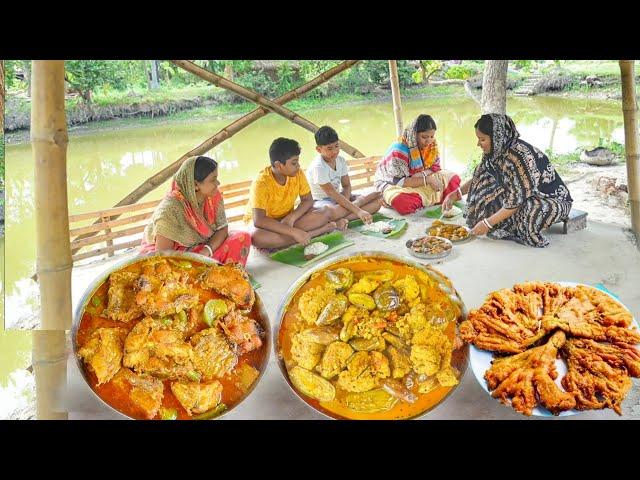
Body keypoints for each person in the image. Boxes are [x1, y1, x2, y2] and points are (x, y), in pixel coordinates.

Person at [442, 113, 573, 247]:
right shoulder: (495, 151)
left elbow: (516, 200)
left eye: (482, 139)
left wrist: (488, 223)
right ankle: (506, 223)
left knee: (529, 211)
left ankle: (515, 227)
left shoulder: (519, 156)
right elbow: (479, 177)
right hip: (520, 196)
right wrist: (455, 194)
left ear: (496, 137)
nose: (478, 144)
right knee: (484, 195)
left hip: (549, 199)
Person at [140, 155, 251, 265]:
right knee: (167, 270)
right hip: (174, 255)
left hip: (202, 249)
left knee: (242, 237)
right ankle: (206, 275)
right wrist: (195, 260)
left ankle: (214, 273)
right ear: (195, 184)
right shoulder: (170, 210)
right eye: (213, 180)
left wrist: (207, 250)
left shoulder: (213, 196)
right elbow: (164, 256)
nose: (218, 183)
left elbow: (222, 228)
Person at [244, 137, 337, 249]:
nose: (298, 166)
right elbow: (259, 220)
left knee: (323, 213)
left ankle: (295, 236)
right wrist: (293, 232)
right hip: (266, 225)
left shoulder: (297, 173)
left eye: (297, 162)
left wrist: (291, 218)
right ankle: (315, 233)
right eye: (294, 163)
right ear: (278, 165)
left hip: (287, 219)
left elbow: (308, 200)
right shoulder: (261, 183)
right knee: (257, 237)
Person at [374, 114, 461, 215]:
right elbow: (399, 181)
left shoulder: (431, 144)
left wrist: (422, 175)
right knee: (401, 202)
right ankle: (430, 199)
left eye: (432, 136)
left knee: (453, 179)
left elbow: (435, 167)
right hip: (395, 184)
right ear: (414, 134)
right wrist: (428, 180)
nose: (429, 141)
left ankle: (423, 200)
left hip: (421, 177)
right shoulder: (399, 149)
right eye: (424, 137)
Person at [306, 125, 382, 228]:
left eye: (337, 146)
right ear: (319, 149)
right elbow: (331, 193)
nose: (334, 151)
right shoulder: (318, 166)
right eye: (329, 148)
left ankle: (343, 219)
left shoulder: (340, 160)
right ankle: (349, 214)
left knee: (377, 203)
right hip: (322, 202)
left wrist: (345, 201)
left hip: (339, 198)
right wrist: (358, 210)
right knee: (329, 212)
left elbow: (346, 186)